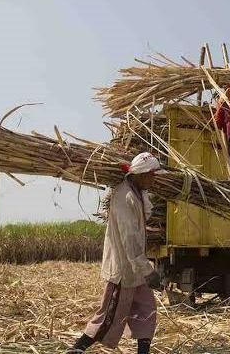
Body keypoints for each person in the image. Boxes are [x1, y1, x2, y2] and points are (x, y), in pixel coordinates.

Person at [68, 152, 167, 354]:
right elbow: (129, 239)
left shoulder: (137, 192)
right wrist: (147, 271)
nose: (154, 178)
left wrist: (144, 270)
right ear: (141, 174)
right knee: (108, 318)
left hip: (136, 270)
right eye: (152, 175)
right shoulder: (125, 197)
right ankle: (76, 349)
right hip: (123, 270)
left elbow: (143, 219)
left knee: (147, 311)